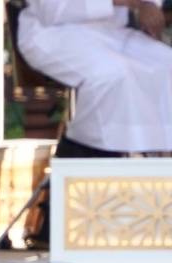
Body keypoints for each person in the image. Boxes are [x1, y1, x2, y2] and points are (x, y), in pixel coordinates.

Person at [18, 0, 172, 155]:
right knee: (112, 74)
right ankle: (81, 162)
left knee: (166, 65)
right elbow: (50, 10)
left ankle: (157, 163)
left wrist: (149, 5)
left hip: (112, 32)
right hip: (53, 32)